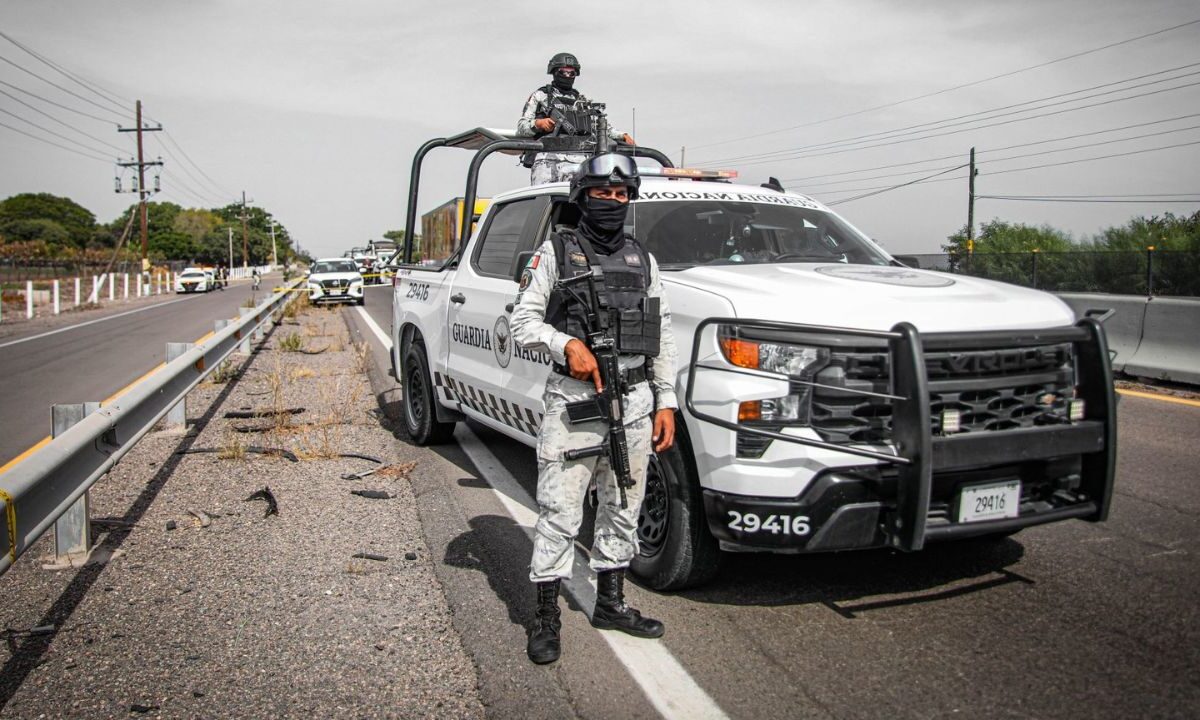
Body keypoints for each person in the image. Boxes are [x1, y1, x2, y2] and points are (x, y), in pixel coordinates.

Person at [510, 154, 677, 665]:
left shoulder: (640, 258)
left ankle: (611, 603)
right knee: (560, 512)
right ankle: (545, 617)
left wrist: (665, 400)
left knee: (623, 504)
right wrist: (565, 345)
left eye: (621, 194)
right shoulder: (555, 252)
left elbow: (662, 333)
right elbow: (522, 321)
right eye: (601, 194)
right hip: (576, 402)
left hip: (634, 400)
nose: (611, 202)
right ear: (583, 196)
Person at [516, 52, 635, 185]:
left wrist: (621, 135)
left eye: (571, 73)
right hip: (548, 159)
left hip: (579, 160)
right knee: (545, 200)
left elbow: (599, 126)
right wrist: (538, 123)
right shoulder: (541, 96)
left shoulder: (581, 101)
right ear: (554, 72)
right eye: (563, 72)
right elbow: (521, 127)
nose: (567, 76)